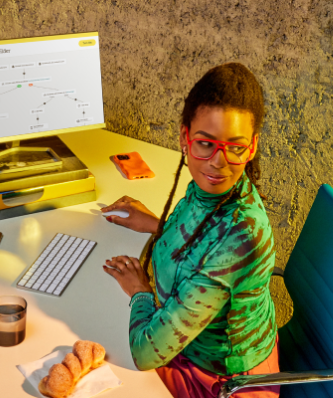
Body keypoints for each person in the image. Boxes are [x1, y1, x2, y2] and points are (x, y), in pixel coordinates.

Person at [101, 63, 279, 398]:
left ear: (252, 147)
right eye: (205, 143)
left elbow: (143, 352)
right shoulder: (215, 192)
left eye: (235, 147)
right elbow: (206, 239)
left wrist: (140, 290)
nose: (218, 162)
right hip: (194, 349)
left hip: (220, 382)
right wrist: (160, 226)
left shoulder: (242, 238)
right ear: (185, 137)